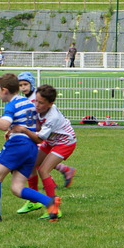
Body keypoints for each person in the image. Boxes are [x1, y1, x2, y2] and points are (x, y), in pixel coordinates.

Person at [0, 73, 61, 222]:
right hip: (31, 147)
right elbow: (31, 124)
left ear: (4, 90)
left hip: (18, 145)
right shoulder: (28, 102)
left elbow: (3, 124)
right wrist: (13, 130)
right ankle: (50, 202)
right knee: (17, 188)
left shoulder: (12, 104)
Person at [14, 84, 76, 218]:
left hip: (65, 142)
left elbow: (38, 138)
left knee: (43, 170)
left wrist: (23, 130)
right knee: (31, 164)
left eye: (41, 103)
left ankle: (53, 207)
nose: (36, 105)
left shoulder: (52, 117)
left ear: (50, 104)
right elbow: (33, 123)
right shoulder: (36, 105)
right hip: (51, 140)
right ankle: (33, 202)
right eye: (36, 100)